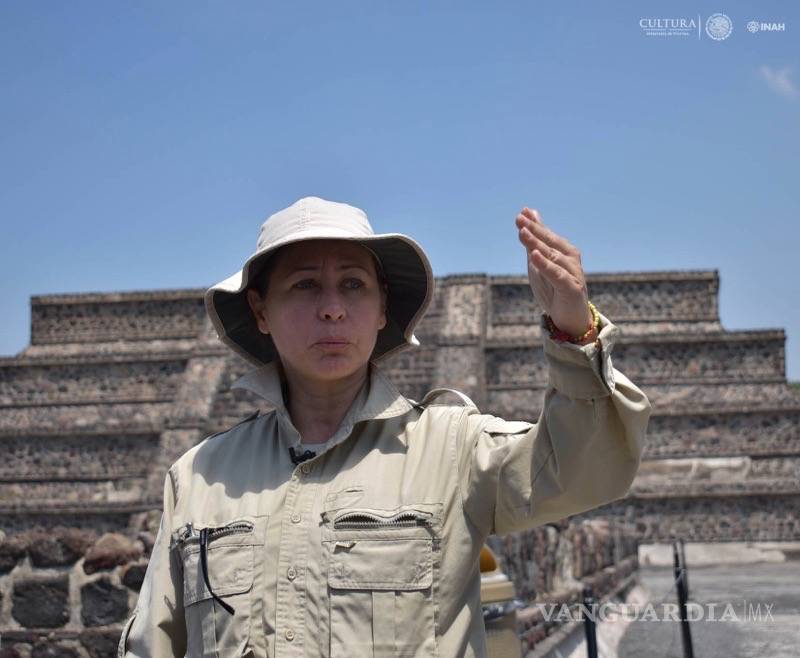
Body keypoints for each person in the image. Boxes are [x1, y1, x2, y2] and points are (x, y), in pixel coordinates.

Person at [119, 195, 651, 657]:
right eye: (305, 286)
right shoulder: (199, 477)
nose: (332, 309)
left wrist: (573, 331)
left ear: (381, 308)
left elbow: (587, 469)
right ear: (260, 310)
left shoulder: (453, 449)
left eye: (353, 285)